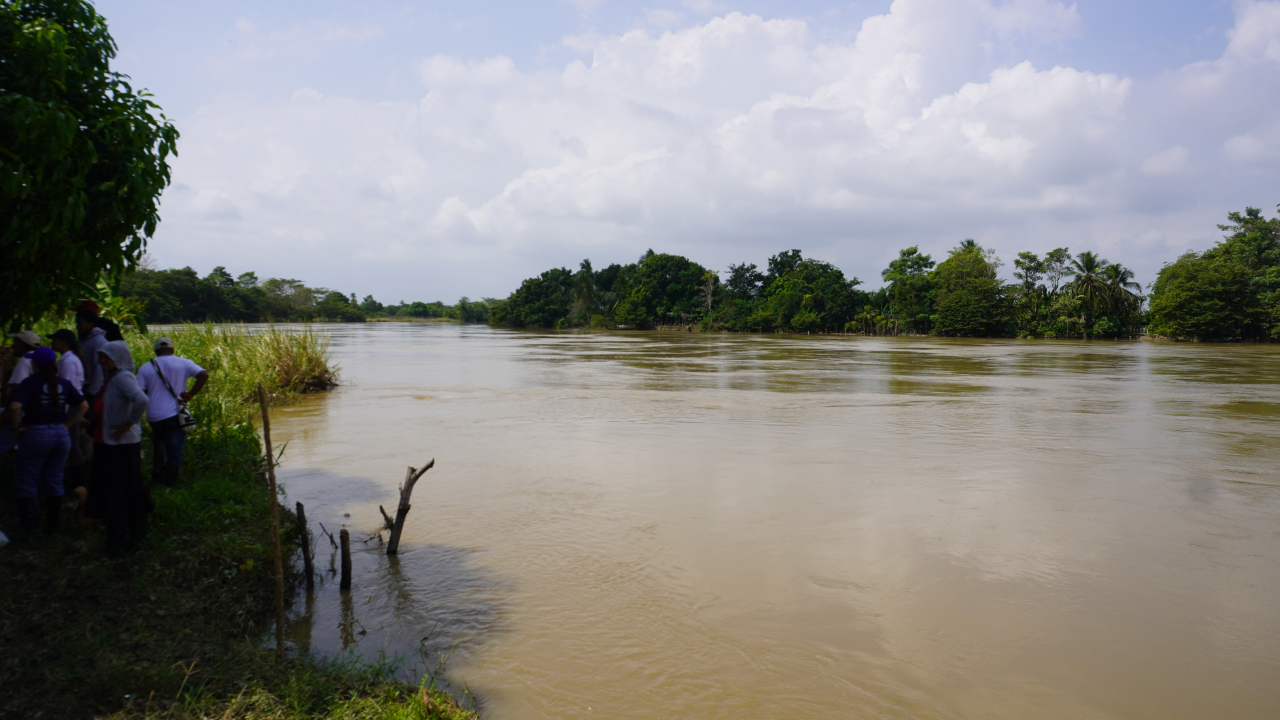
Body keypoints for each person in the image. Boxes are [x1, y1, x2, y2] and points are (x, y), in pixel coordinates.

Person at [7, 347, 88, 537]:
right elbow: (83, 406)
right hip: (60, 434)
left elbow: (14, 406)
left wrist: (15, 428)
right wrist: (67, 424)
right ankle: (52, 526)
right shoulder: (64, 383)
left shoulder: (30, 383)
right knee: (54, 479)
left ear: (35, 364)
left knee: (27, 479)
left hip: (36, 433)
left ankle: (30, 527)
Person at [86, 341, 151, 558]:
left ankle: (116, 547)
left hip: (118, 447)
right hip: (113, 445)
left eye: (107, 357)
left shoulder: (122, 378)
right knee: (128, 490)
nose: (102, 361)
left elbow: (141, 399)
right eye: (101, 356)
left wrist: (128, 424)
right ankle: (136, 536)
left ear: (120, 358)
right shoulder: (113, 379)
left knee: (116, 494)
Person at [137, 337, 208, 487]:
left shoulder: (146, 367)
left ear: (156, 351)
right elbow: (203, 375)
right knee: (174, 450)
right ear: (172, 350)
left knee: (159, 443)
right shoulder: (184, 363)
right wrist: (191, 394)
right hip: (175, 415)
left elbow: (140, 393)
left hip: (154, 415)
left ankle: (157, 471)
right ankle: (170, 484)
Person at [48, 329, 90, 489]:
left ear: (63, 341)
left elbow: (66, 388)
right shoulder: (69, 359)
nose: (52, 343)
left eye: (54, 340)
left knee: (72, 444)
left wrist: (62, 412)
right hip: (73, 404)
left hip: (71, 406)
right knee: (72, 443)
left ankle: (78, 483)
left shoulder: (68, 361)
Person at [1, 331, 43, 454]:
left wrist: (7, 413)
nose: (12, 346)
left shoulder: (25, 360)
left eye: (15, 343)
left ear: (23, 345)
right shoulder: (38, 358)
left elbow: (17, 388)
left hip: (20, 413)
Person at [76, 310, 108, 400]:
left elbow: (99, 368)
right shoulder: (83, 340)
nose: (77, 326)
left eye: (80, 323)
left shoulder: (98, 341)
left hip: (92, 389)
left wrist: (92, 391)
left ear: (90, 324)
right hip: (83, 385)